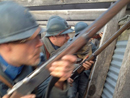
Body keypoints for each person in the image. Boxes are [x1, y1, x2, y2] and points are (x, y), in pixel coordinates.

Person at [0, 1, 77, 98]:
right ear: (6, 45)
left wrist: (58, 83)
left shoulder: (36, 63)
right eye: (30, 39)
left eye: (38, 36)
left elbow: (43, 93)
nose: (40, 43)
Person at [68, 22, 96, 98]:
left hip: (85, 74)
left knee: (84, 93)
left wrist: (90, 65)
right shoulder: (69, 45)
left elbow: (95, 61)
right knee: (71, 95)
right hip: (71, 74)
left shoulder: (91, 47)